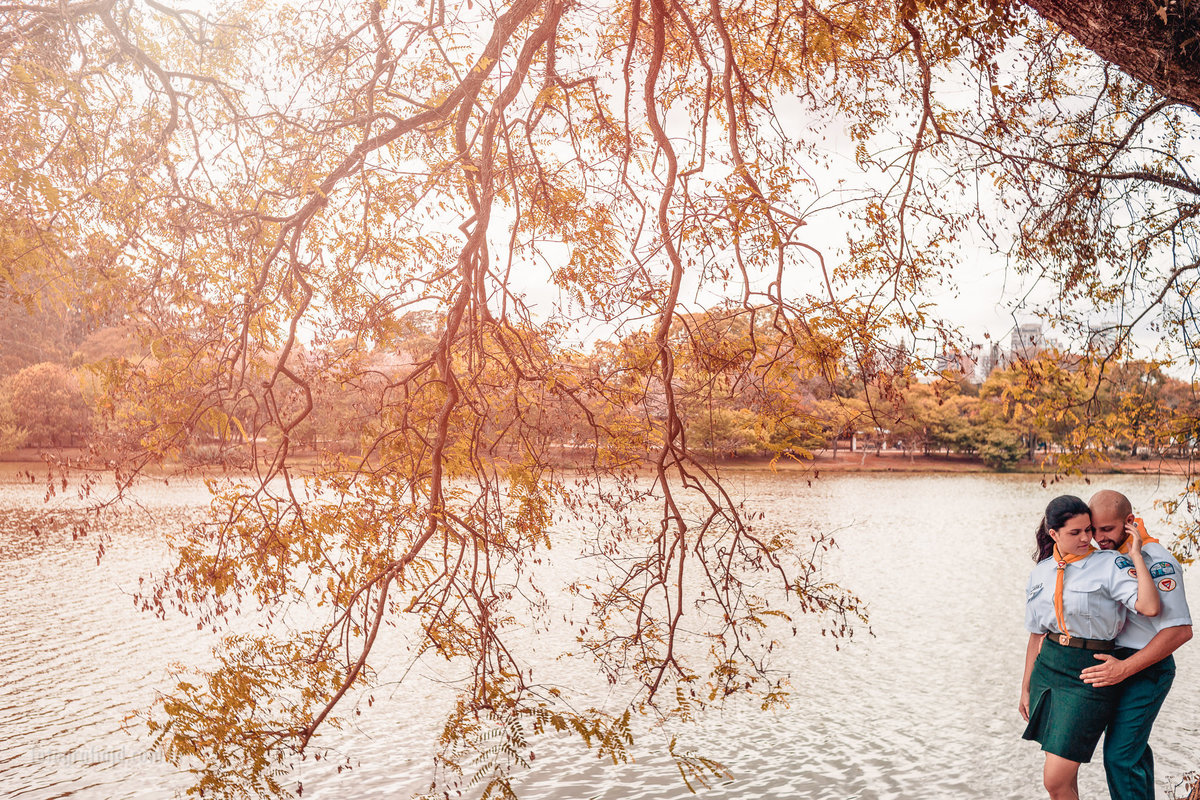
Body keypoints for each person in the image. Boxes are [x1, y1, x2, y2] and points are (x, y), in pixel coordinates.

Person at [1021, 494, 1161, 800]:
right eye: (1075, 532)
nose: (1087, 538)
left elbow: (1150, 607)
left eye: (1088, 530)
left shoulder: (1110, 564)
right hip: (1049, 668)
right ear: (1053, 534)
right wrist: (1025, 687)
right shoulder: (1041, 572)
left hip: (1089, 673)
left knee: (1054, 780)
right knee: (1065, 781)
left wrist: (1137, 555)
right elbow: (1036, 634)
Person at [1080, 490, 1192, 800]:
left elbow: (1180, 631)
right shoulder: (1108, 556)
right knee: (1133, 751)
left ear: (1130, 522)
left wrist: (1124, 669)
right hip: (1118, 665)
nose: (1099, 538)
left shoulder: (1158, 560)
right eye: (1094, 530)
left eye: (1107, 530)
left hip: (1147, 669)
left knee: (1119, 757)